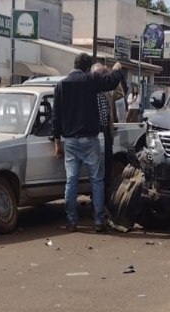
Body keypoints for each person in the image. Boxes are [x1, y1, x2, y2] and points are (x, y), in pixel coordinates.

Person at [52, 52, 123, 232]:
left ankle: (71, 221)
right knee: (97, 181)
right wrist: (117, 70)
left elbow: (56, 116)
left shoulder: (61, 85)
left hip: (70, 141)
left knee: (71, 181)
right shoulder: (90, 80)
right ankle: (99, 221)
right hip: (90, 139)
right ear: (86, 67)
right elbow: (111, 82)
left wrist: (57, 143)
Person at [91, 60, 125, 200]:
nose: (100, 77)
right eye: (97, 75)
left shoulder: (108, 89)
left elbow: (120, 95)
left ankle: (104, 197)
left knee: (107, 164)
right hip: (93, 132)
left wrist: (114, 75)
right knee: (95, 167)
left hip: (106, 132)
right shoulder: (88, 89)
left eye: (102, 74)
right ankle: (96, 198)